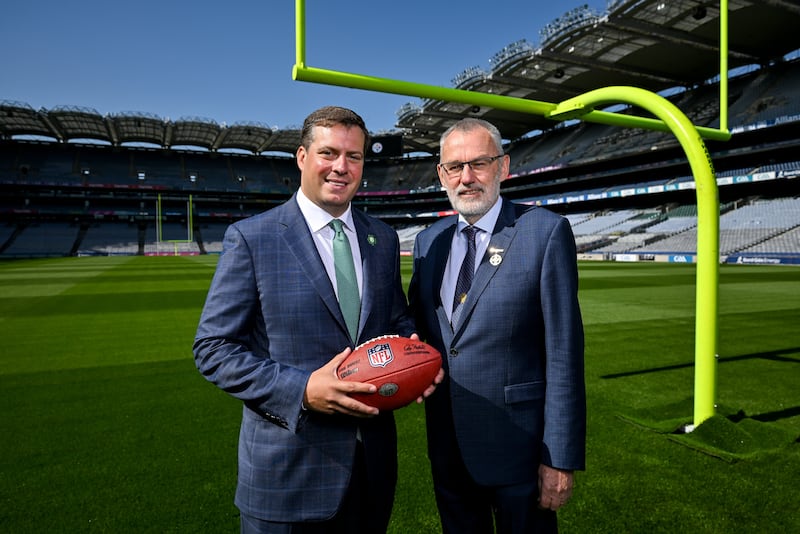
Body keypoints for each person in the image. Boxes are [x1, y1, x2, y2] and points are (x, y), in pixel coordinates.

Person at [194, 106, 437, 533]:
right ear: (302, 157)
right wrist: (302, 389)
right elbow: (213, 350)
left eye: (354, 156)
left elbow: (396, 320)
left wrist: (418, 355)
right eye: (328, 153)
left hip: (371, 470)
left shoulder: (381, 239)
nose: (341, 167)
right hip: (288, 474)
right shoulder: (253, 238)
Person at [408, 118, 586, 534]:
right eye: (454, 167)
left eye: (479, 163)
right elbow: (419, 329)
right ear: (441, 175)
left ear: (503, 167)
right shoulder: (427, 242)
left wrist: (558, 457)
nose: (466, 177)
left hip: (519, 451)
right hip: (449, 448)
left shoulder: (545, 232)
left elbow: (564, 355)